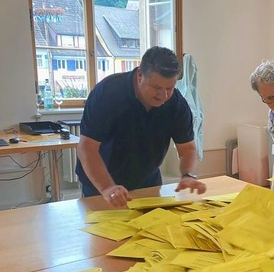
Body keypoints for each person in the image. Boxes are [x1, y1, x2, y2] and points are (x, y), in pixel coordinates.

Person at [76, 46, 206, 207]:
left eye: (169, 88)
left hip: (147, 181)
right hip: (100, 183)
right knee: (104, 230)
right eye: (157, 88)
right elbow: (87, 148)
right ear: (139, 75)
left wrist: (188, 175)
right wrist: (107, 187)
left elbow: (187, 149)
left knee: (151, 229)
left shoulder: (176, 104)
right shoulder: (108, 93)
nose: (163, 96)